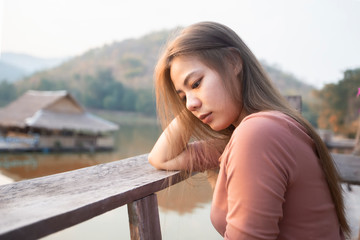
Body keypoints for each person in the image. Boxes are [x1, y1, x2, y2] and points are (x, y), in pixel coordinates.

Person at [148, 21, 350, 239]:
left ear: (233, 62)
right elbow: (161, 158)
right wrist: (195, 98)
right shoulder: (264, 130)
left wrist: (194, 97)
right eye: (183, 97)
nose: (189, 105)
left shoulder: (257, 135)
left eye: (196, 83)